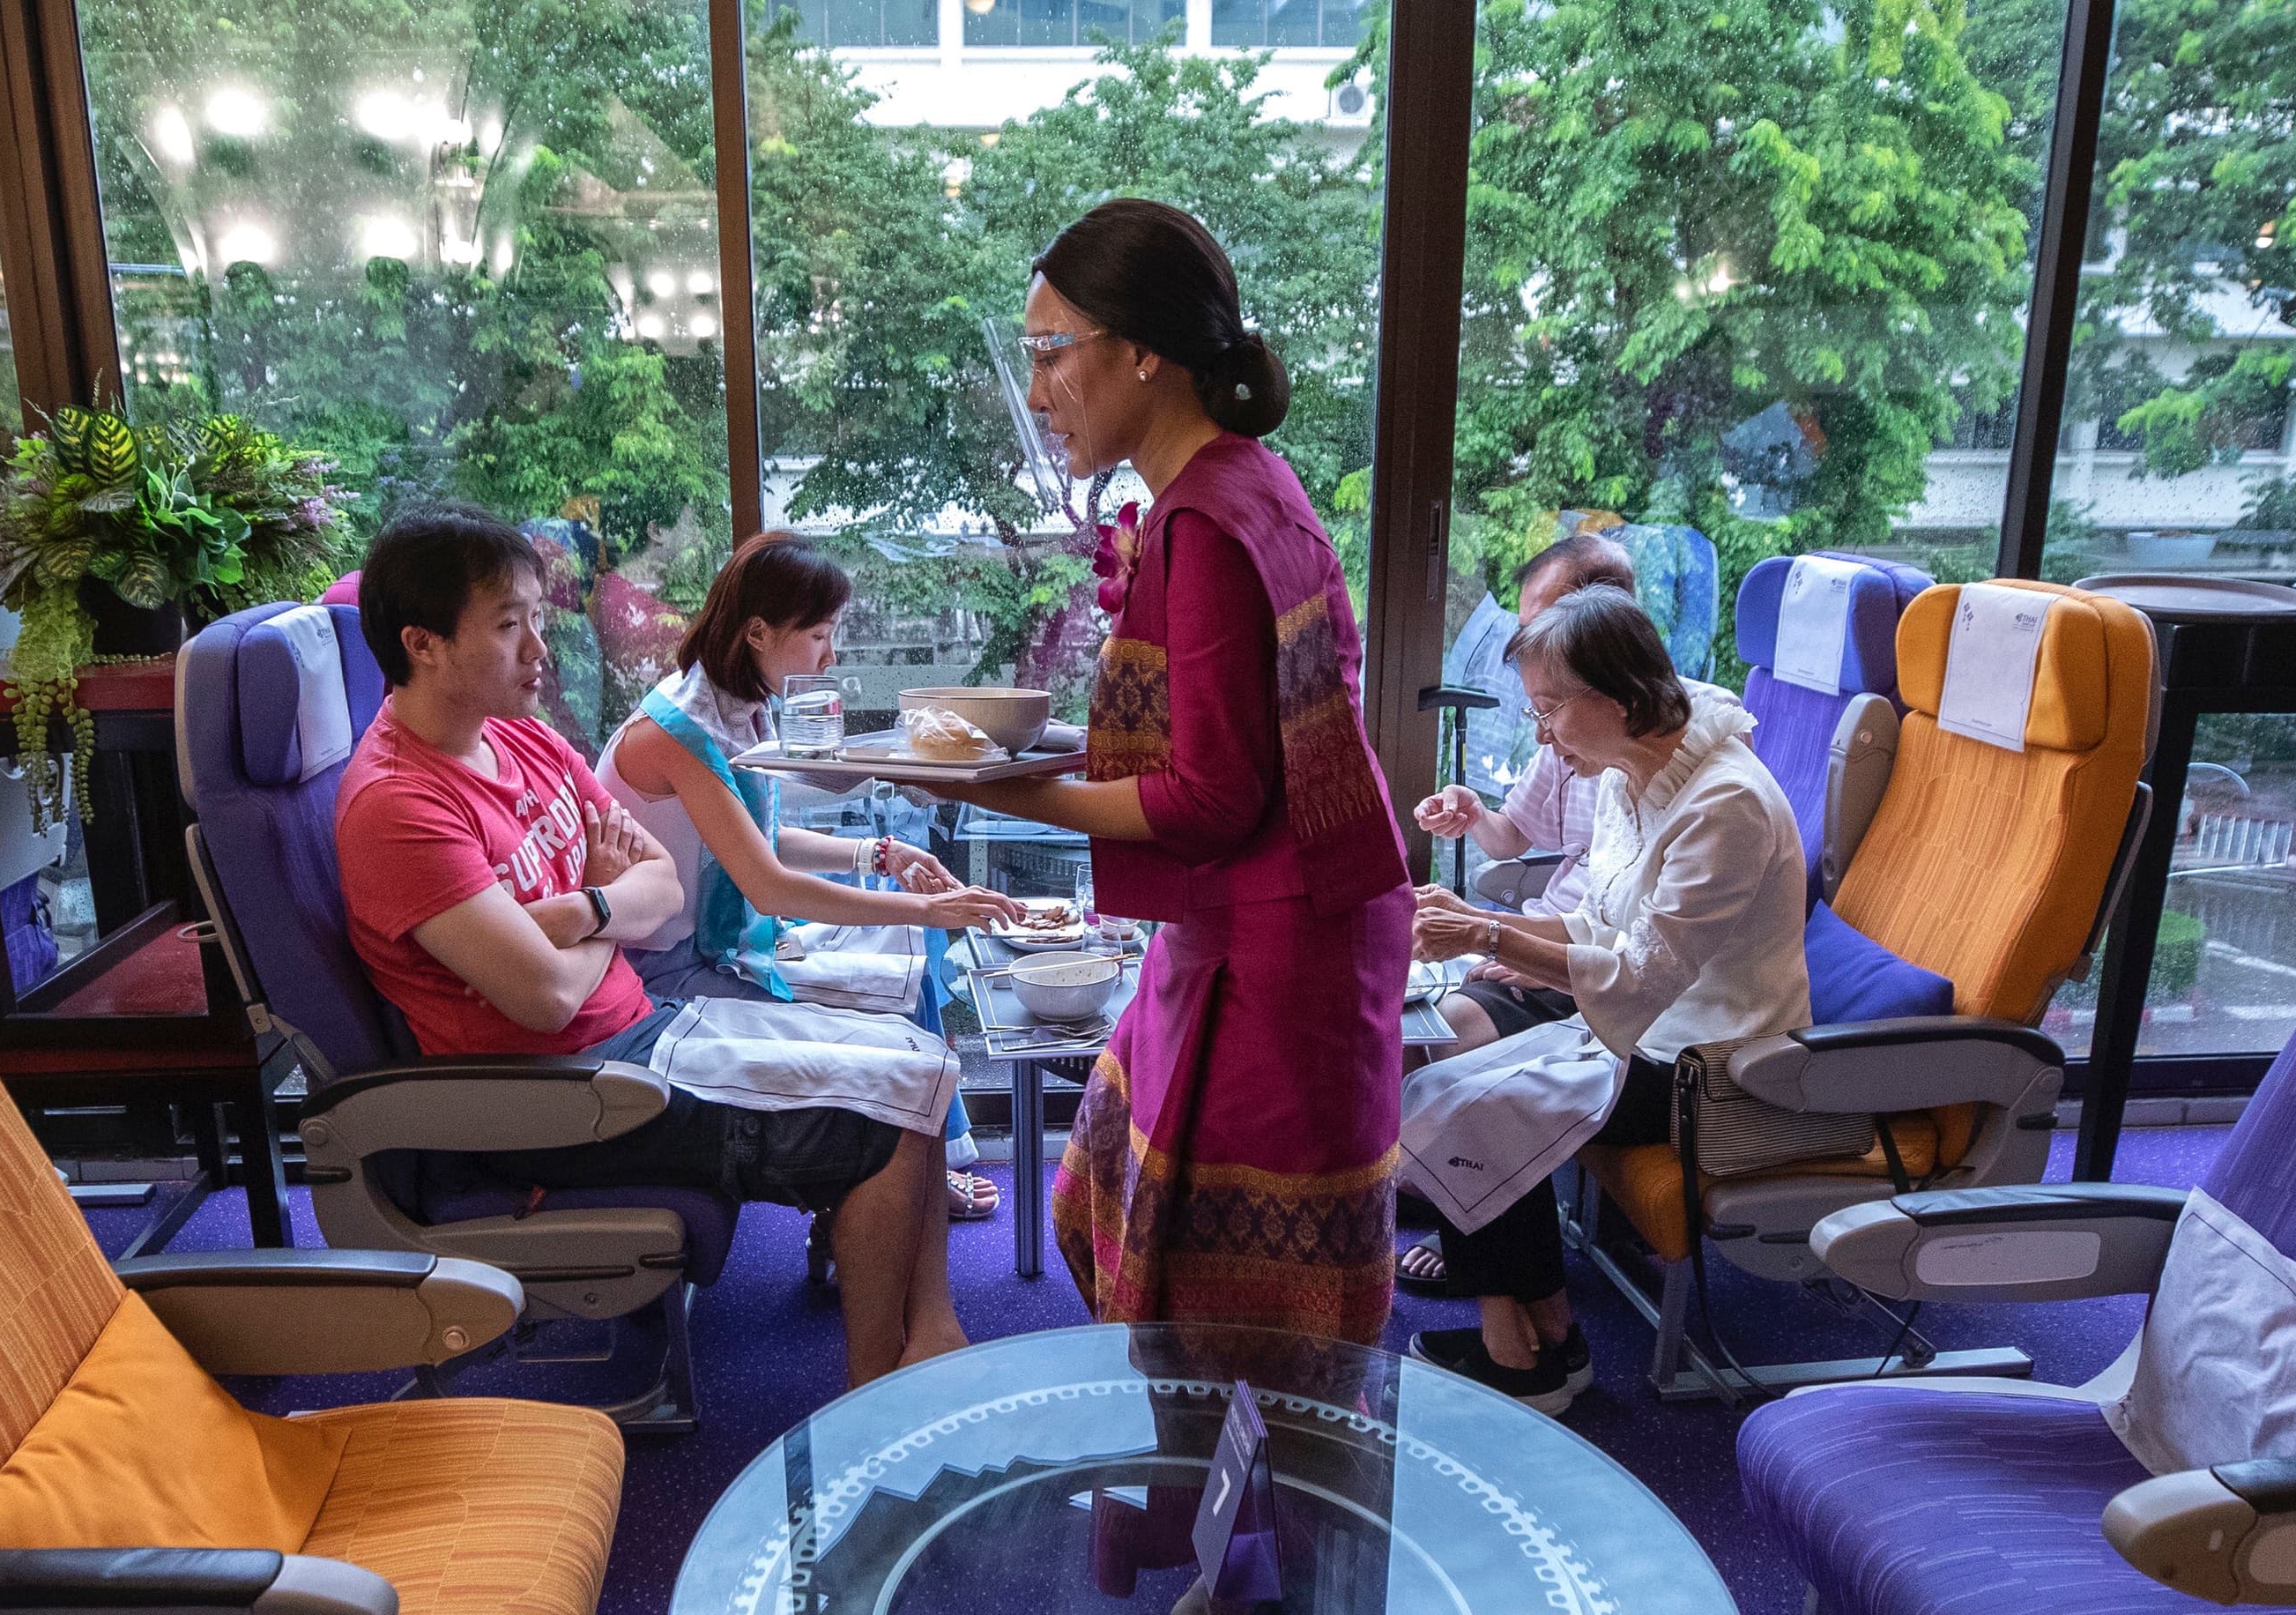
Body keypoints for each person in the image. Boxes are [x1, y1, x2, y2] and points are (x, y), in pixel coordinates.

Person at [332, 505, 967, 1386]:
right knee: (894, 1120)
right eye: (509, 626)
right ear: (424, 643)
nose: (539, 650)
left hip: (644, 1031)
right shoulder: (400, 809)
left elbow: (661, 884)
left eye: (537, 622)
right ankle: (877, 1393)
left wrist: (580, 916)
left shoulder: (524, 738)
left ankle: (924, 1339)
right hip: (570, 1101)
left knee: (916, 1066)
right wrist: (607, 906)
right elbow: (547, 999)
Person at [960, 197, 1415, 1350]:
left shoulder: (1201, 521)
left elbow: (1213, 796)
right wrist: (1031, 763)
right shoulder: (1250, 479)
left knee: (1213, 1307)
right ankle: (1236, 1514)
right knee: (1116, 1203)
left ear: (1144, 352)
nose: (1041, 387)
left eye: (1053, 352)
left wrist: (1000, 793)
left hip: (1271, 955)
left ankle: (1227, 1516)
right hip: (1297, 917)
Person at [1392, 586, 1869, 1410]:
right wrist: (1503, 940)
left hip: (1714, 1062)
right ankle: (1552, 1335)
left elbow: (1647, 976)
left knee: (1481, 1101)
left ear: (1615, 700)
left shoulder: (1727, 806)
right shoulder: (1629, 769)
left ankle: (1526, 1352)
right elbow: (1602, 919)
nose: (1540, 733)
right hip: (1635, 1019)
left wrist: (1492, 937)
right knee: (1441, 1060)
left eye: (1549, 711)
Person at [601, 531, 1020, 1223]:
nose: (833, 654)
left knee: (908, 971)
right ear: (759, 633)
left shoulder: (727, 709)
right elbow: (766, 884)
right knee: (891, 1017)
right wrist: (928, 909)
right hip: (669, 975)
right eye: (821, 634)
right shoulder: (676, 734)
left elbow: (750, 840)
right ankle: (877, 1200)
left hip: (716, 942)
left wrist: (880, 856)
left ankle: (899, 1192)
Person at [1408, 532, 1638, 1054]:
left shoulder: (1659, 765)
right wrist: (1475, 814)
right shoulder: (1570, 737)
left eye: (1541, 630)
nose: (1541, 733)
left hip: (1576, 972)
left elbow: (1637, 961)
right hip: (1550, 940)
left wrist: (1489, 935)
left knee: (1422, 1043)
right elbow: (1512, 838)